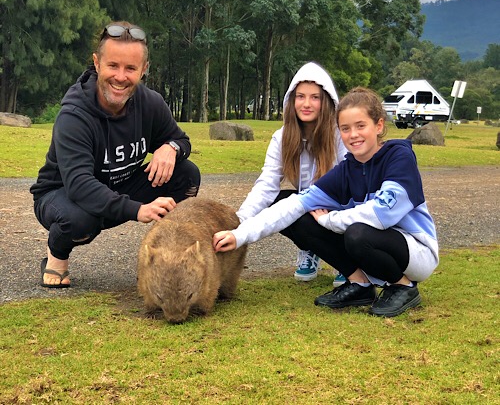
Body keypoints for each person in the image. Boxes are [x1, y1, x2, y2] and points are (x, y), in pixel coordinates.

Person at [214, 87, 439, 317]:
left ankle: (403, 286)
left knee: (357, 234)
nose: (353, 135)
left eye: (361, 126)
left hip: (416, 251)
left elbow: (382, 214)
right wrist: (239, 235)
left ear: (379, 125)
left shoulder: (398, 157)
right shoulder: (346, 170)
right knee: (298, 215)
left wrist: (331, 220)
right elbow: (291, 206)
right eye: (345, 128)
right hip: (371, 242)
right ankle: (359, 284)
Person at [31, 21, 200, 288]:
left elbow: (181, 140)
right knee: (79, 221)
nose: (120, 77)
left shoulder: (150, 103)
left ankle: (163, 257)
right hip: (63, 194)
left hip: (121, 186)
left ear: (143, 70)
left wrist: (171, 148)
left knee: (186, 175)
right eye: (113, 66)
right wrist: (138, 209)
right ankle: (57, 254)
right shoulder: (74, 115)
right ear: (97, 63)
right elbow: (79, 185)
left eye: (130, 68)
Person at [236, 62, 347, 283]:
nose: (306, 104)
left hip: (339, 204)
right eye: (300, 96)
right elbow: (267, 184)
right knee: (274, 202)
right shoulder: (282, 137)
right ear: (291, 100)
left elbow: (353, 183)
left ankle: (346, 259)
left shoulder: (339, 134)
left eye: (315, 97)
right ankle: (310, 249)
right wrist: (238, 221)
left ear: (326, 101)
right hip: (307, 203)